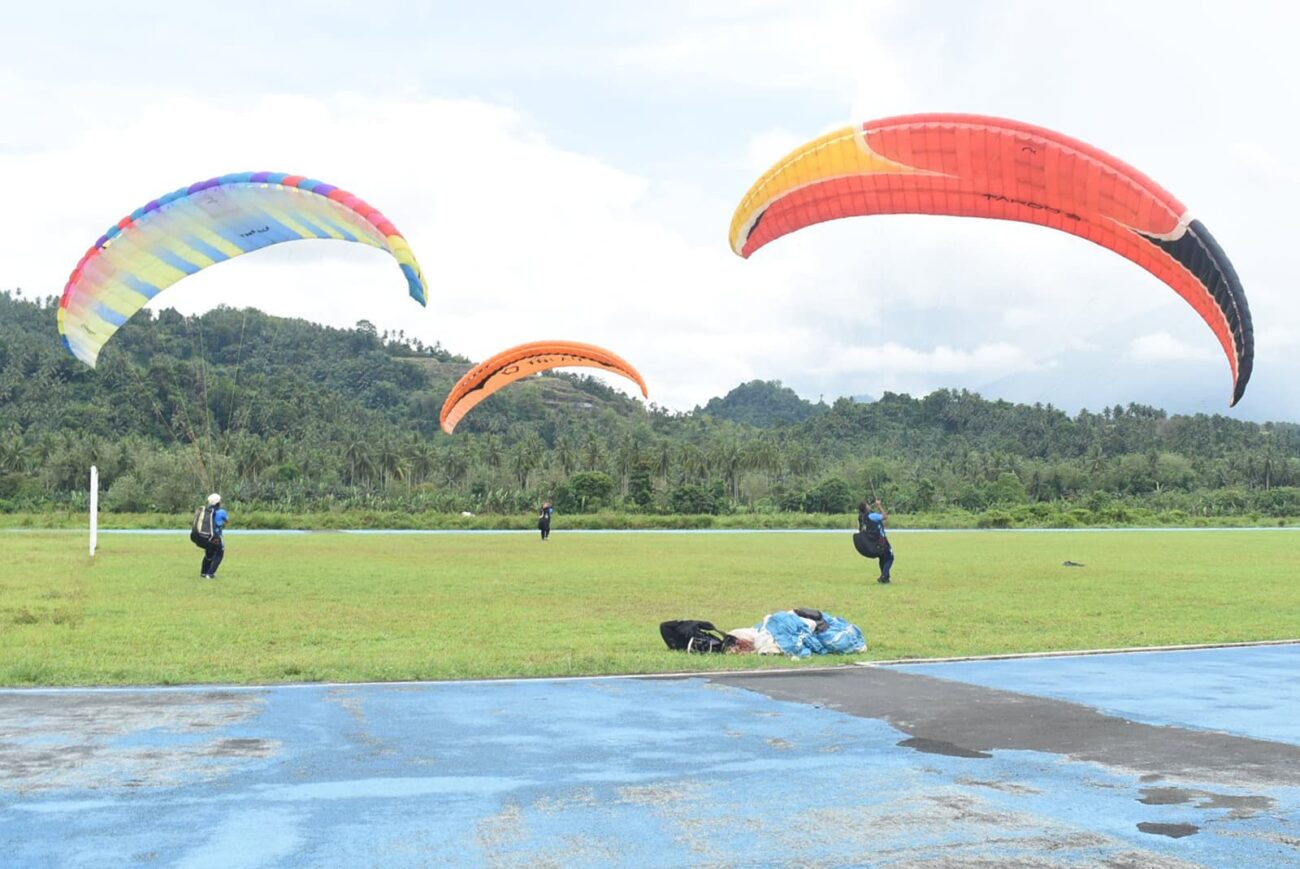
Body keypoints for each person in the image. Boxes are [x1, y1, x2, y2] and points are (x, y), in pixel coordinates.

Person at [857, 498, 893, 584]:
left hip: (873, 542)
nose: (869, 506)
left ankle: (886, 577)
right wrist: (879, 506)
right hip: (881, 540)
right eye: (867, 505)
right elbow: (885, 517)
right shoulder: (871, 516)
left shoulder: (861, 517)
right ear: (866, 508)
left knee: (882, 557)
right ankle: (884, 576)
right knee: (890, 557)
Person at [199, 493, 229, 579]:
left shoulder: (206, 512)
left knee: (208, 554)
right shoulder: (221, 512)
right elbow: (227, 521)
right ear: (218, 502)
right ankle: (210, 574)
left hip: (206, 536)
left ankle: (203, 573)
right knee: (219, 554)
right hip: (216, 537)